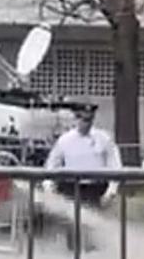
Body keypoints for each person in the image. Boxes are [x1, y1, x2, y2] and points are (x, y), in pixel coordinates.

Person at [44, 105, 122, 249]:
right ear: (76, 118)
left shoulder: (103, 139)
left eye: (89, 119)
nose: (86, 123)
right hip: (71, 188)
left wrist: (111, 190)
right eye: (83, 119)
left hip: (94, 188)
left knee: (93, 230)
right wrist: (49, 187)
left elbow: (115, 166)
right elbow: (52, 165)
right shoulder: (65, 140)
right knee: (73, 231)